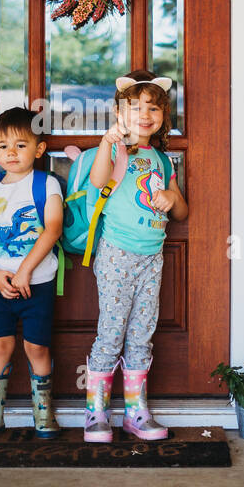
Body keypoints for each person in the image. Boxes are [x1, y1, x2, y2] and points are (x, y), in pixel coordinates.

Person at [84, 71, 188, 442]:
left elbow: (181, 212)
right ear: (119, 112)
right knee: (111, 333)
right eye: (136, 107)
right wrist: (105, 142)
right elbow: (98, 181)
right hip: (116, 254)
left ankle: (136, 414)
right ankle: (96, 415)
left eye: (153, 108)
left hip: (151, 258)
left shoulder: (162, 159)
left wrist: (172, 198)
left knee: (142, 335)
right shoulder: (115, 149)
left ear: (163, 115)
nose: (145, 114)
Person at [0, 106, 63, 441]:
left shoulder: (46, 184)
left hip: (38, 284)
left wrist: (24, 271)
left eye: (21, 145)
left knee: (37, 348)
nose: (11, 152)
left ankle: (44, 413)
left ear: (39, 149)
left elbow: (51, 230)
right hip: (0, 287)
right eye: (3, 145)